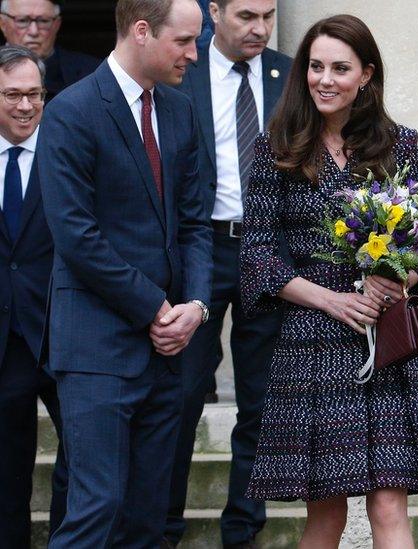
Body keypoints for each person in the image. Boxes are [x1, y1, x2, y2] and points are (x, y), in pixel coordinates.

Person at [240, 14, 418, 548]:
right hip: (312, 346)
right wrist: (333, 301)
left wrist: (401, 278)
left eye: (340, 68)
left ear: (365, 75)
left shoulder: (398, 144)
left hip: (385, 347)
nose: (325, 79)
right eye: (316, 66)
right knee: (327, 513)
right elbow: (257, 259)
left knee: (389, 503)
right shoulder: (276, 148)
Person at [37, 0, 212, 545]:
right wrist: (155, 308)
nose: (193, 54)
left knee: (146, 516)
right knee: (96, 509)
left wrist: (197, 307)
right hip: (96, 348)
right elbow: (76, 236)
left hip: (167, 353)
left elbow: (195, 225)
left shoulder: (181, 111)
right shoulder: (71, 110)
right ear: (142, 31)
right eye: (184, 40)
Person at [165, 0, 290, 546]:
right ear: (214, 11)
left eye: (266, 15)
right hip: (201, 248)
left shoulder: (291, 75)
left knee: (260, 401)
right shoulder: (180, 73)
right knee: (182, 393)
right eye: (245, 15)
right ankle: (164, 526)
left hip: (269, 250)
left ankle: (243, 532)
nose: (258, 27)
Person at [0, 43, 66, 547]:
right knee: (7, 467)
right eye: (12, 96)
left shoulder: (67, 150)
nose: (25, 106)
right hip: (6, 340)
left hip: (64, 329)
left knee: (84, 457)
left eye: (34, 95)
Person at [0, 0, 100, 99]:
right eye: (22, 20)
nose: (33, 31)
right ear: (3, 24)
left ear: (57, 25)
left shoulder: (92, 74)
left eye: (43, 21)